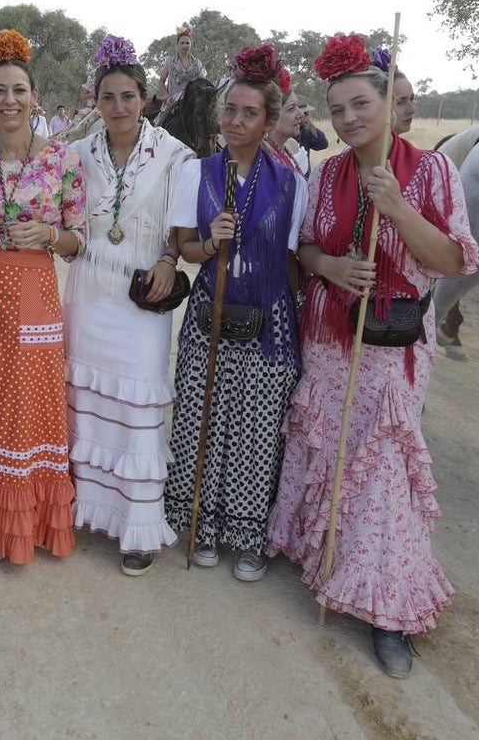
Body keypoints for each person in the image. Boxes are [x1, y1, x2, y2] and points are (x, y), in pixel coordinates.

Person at [266, 34, 479, 678]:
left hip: (392, 351)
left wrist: (399, 210)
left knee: (383, 465)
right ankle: (328, 563)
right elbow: (305, 252)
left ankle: (388, 611)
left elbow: (452, 260)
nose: (350, 119)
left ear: (387, 103)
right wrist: (330, 265)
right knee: (328, 450)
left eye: (361, 104)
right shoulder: (325, 173)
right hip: (330, 342)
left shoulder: (432, 171)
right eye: (339, 110)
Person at [164, 42, 306, 583]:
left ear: (269, 120)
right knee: (204, 419)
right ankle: (198, 523)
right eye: (229, 110)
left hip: (268, 322)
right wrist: (209, 241)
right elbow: (184, 247)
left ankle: (250, 535)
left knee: (258, 430)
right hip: (209, 317)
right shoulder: (197, 174)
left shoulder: (292, 183)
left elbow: (295, 262)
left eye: (250, 113)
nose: (236, 121)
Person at [0, 28, 86, 567]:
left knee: (25, 407)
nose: (9, 100)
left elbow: (79, 242)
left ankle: (24, 522)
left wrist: (49, 237)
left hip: (34, 296)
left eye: (19, 90)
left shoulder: (63, 161)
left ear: (34, 97)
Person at [64, 35, 193, 575]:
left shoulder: (176, 156)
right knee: (85, 403)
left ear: (145, 99)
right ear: (95, 100)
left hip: (142, 300)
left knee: (137, 408)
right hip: (89, 295)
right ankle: (84, 510)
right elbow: (66, 221)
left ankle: (137, 527)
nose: (117, 107)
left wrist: (169, 258)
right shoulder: (76, 154)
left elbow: (182, 233)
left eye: (128, 96)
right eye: (107, 97)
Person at [155, 22, 207, 126]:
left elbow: (202, 83)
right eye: (182, 43)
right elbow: (161, 81)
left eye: (187, 43)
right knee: (159, 124)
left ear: (191, 44)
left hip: (192, 101)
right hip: (173, 101)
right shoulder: (170, 61)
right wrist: (166, 96)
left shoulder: (197, 63)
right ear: (177, 45)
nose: (185, 45)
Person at [266, 82, 311, 178]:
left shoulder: (292, 145)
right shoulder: (261, 156)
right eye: (291, 108)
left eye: (297, 106)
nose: (301, 114)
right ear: (272, 117)